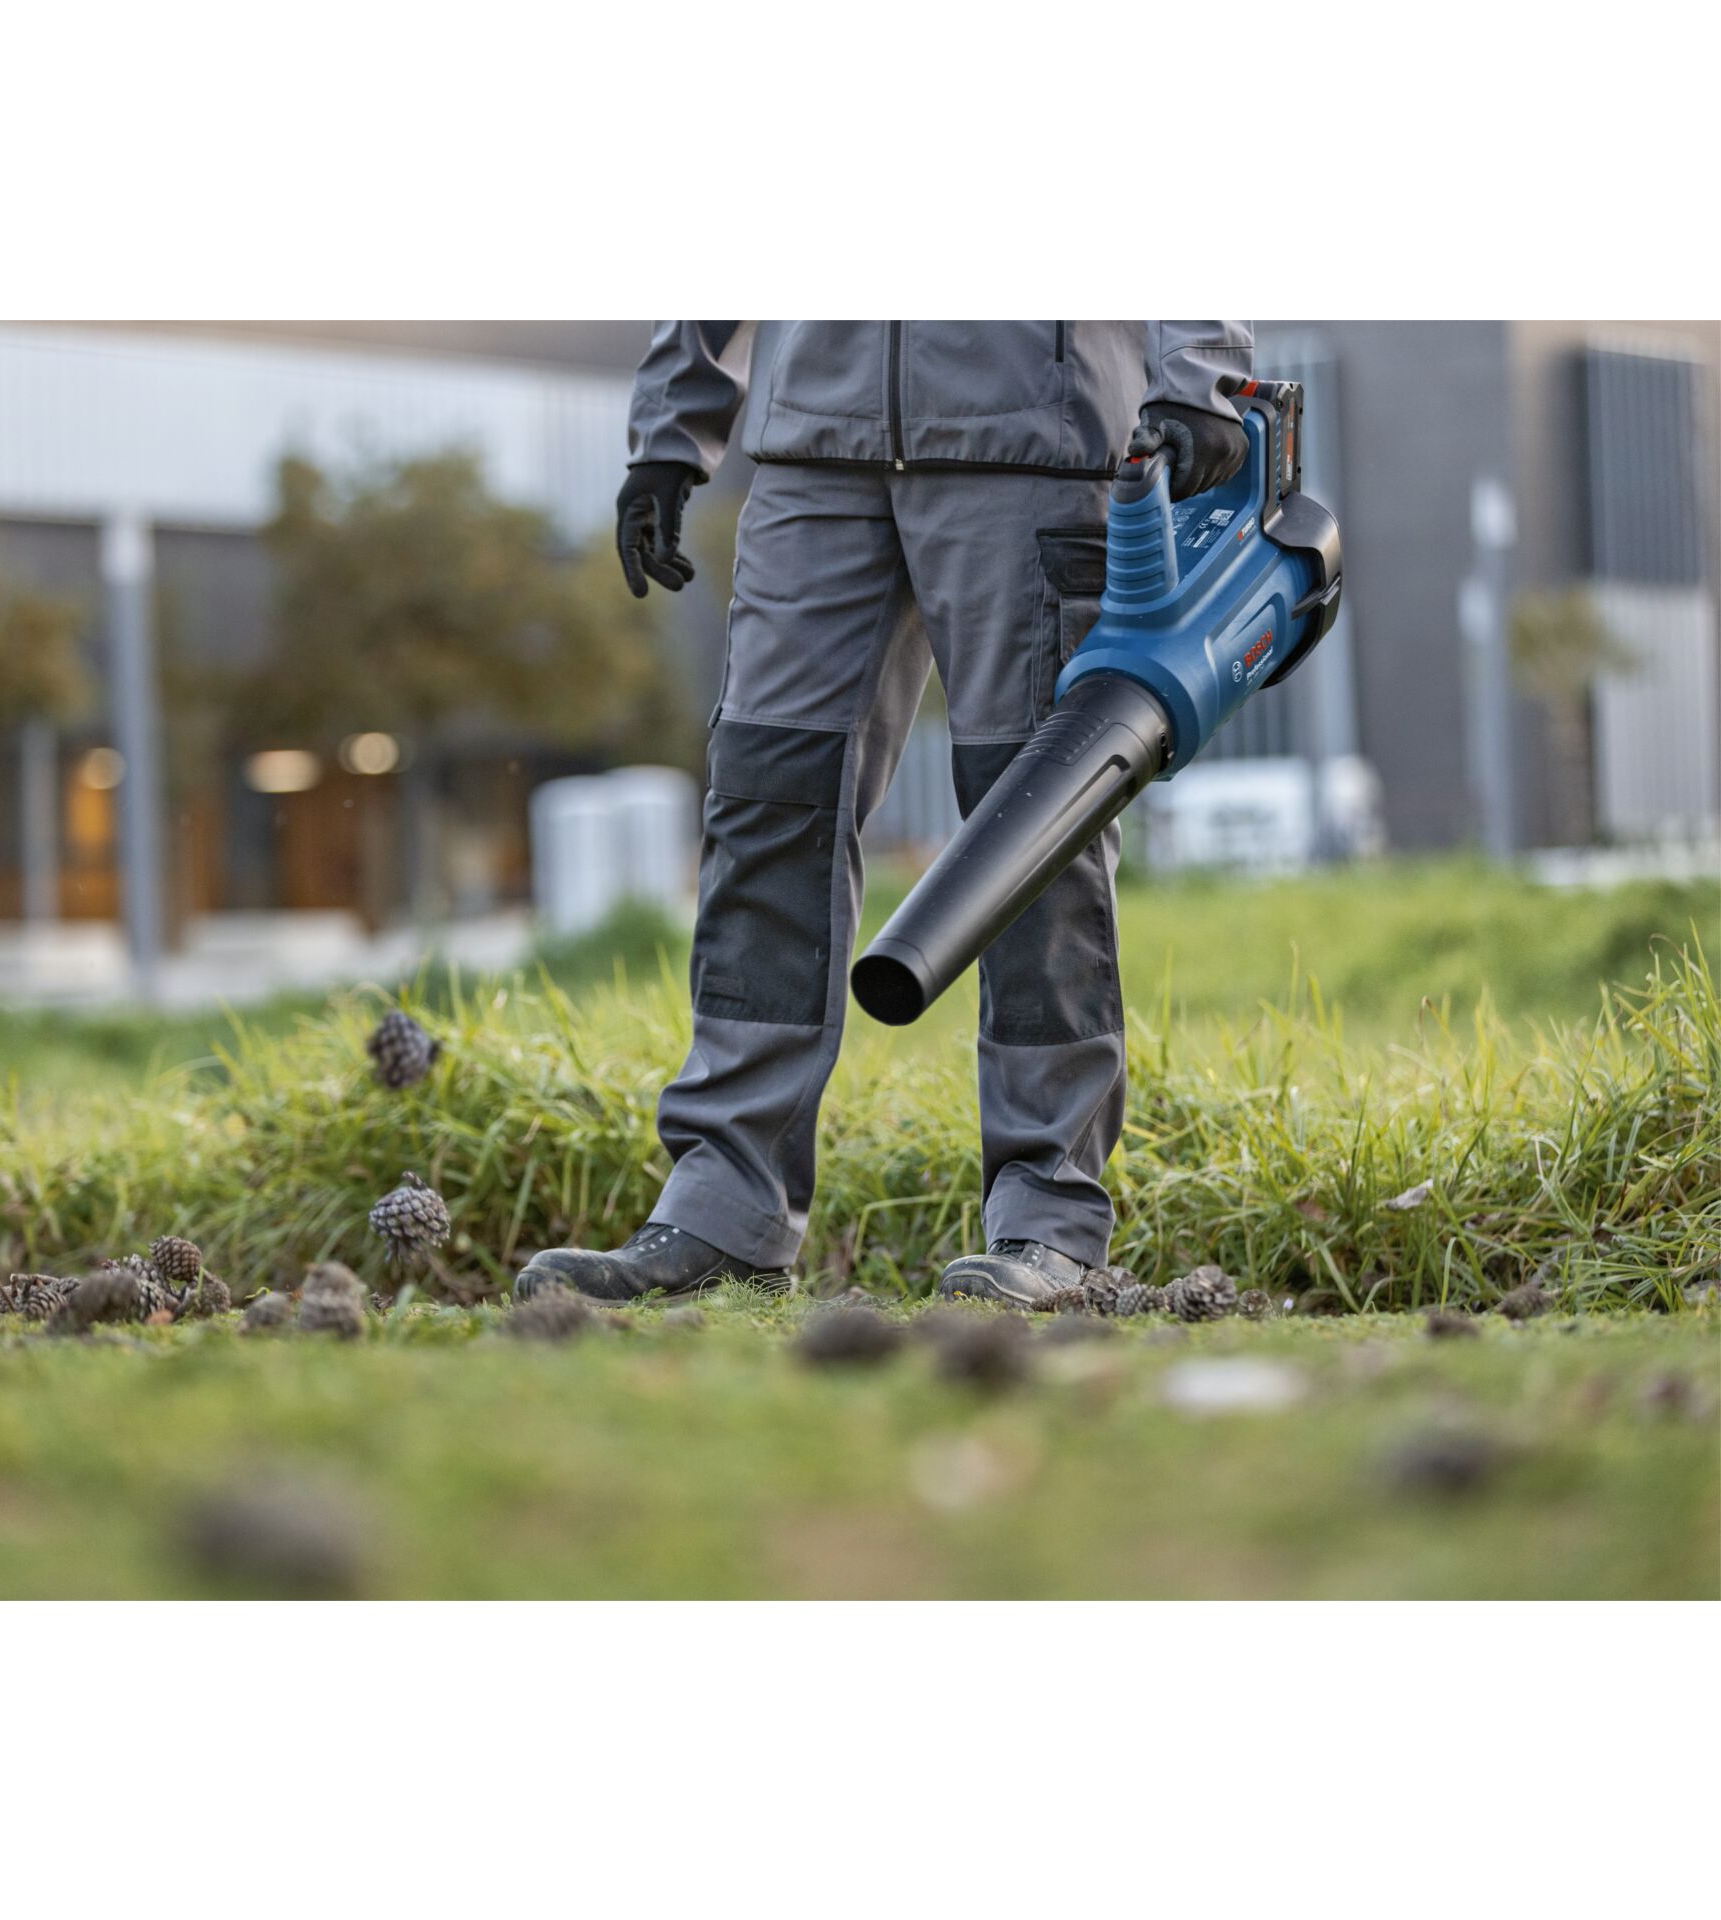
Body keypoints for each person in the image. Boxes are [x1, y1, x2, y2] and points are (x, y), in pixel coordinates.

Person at [515, 322, 1252, 1308]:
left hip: (1029, 427)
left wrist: (1199, 374)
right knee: (765, 809)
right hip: (814, 441)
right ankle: (725, 1205)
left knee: (1034, 827)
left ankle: (1050, 1216)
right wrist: (670, 424)